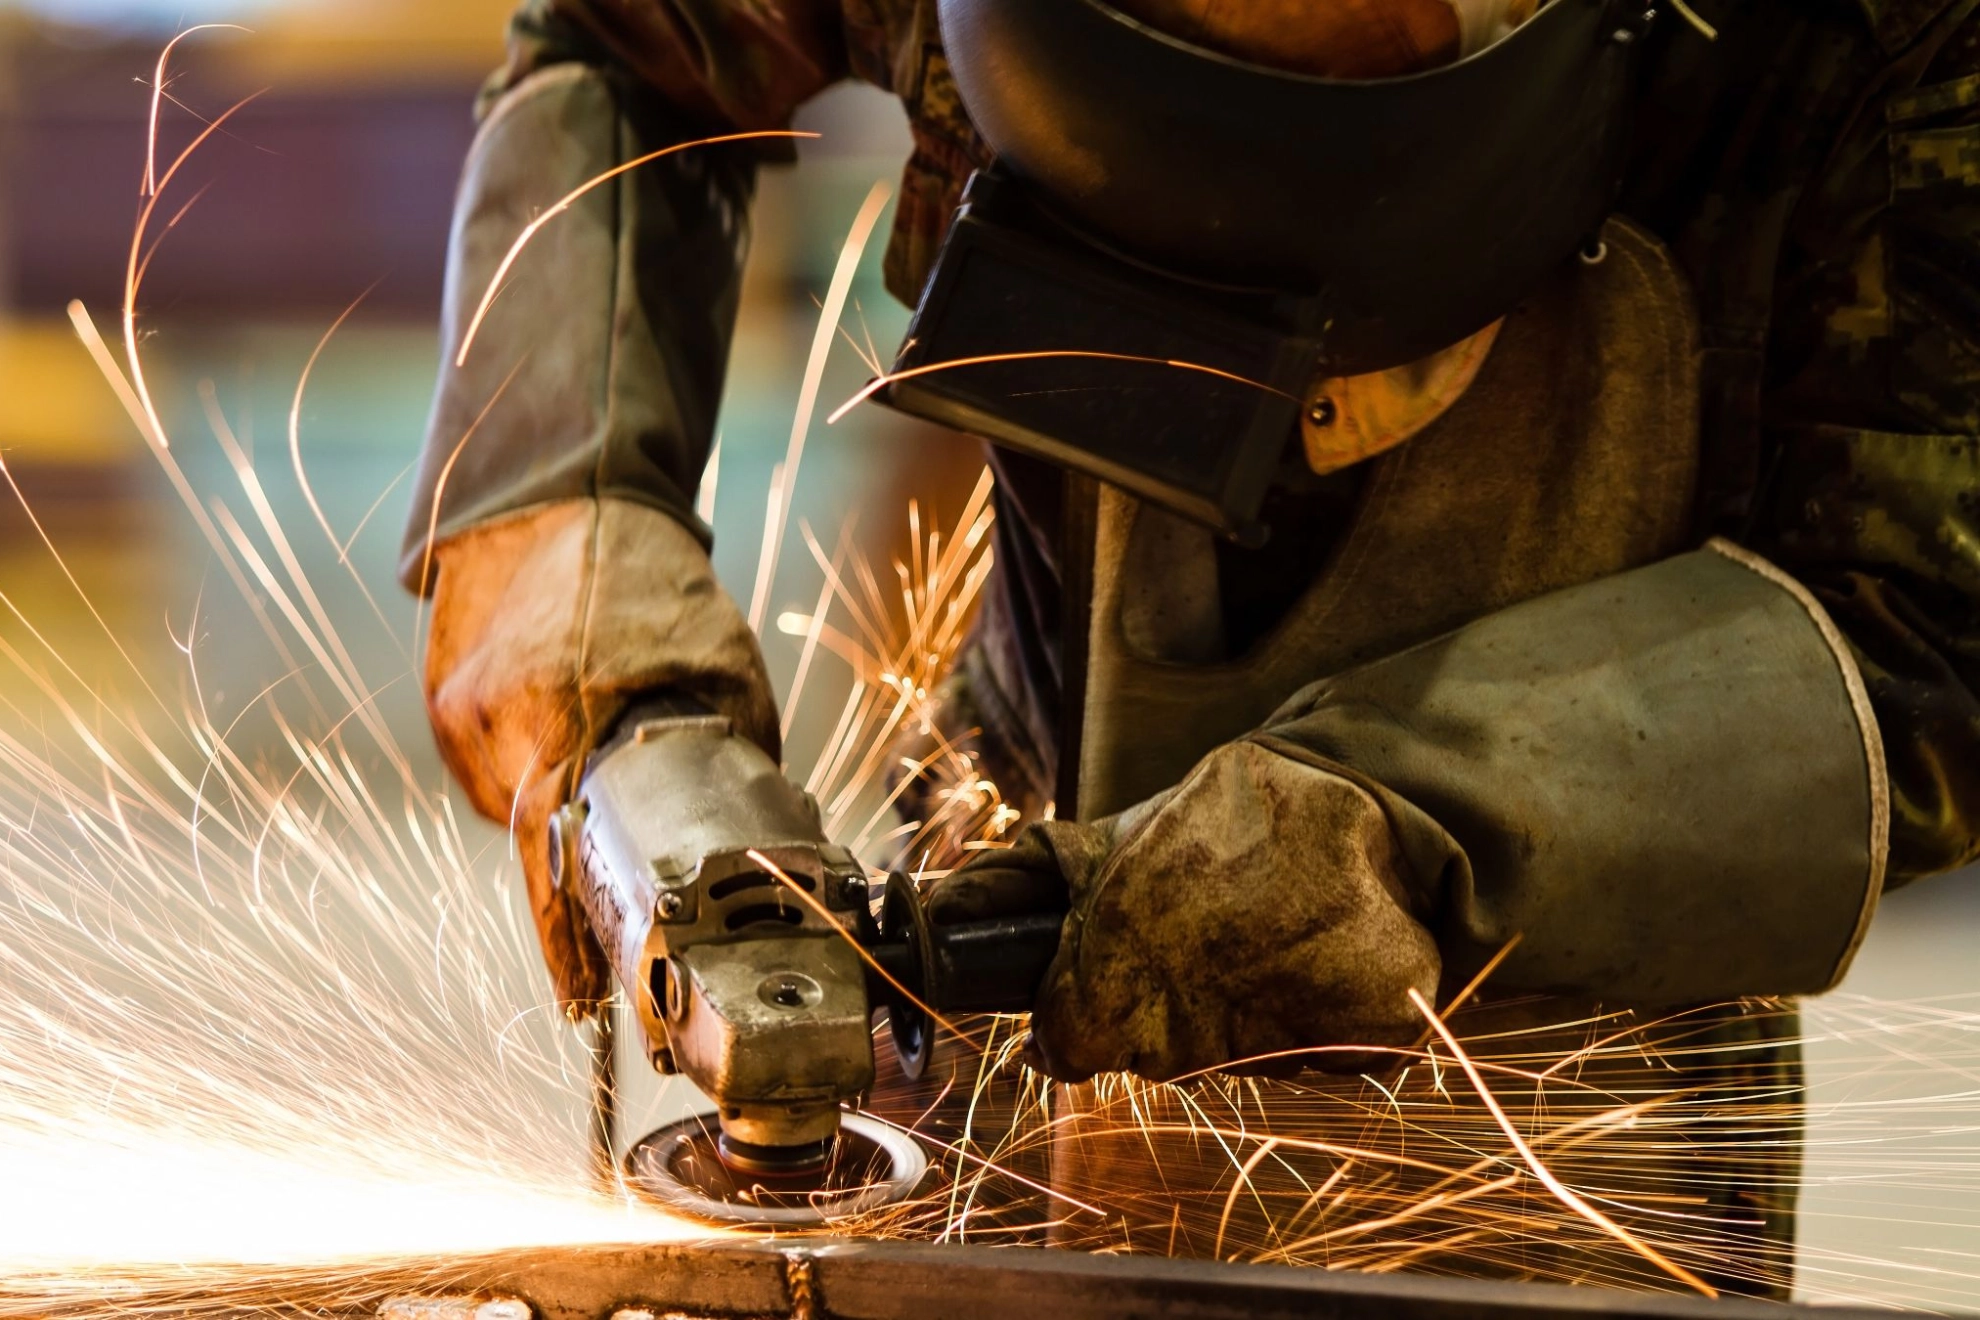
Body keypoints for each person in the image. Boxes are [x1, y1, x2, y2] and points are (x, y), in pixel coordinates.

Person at [406, 0, 1980, 1101]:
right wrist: (564, 486)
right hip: (1000, 877)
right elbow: (624, 46)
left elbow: (1938, 639)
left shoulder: (1887, 50)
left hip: (1561, 1085)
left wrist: (1404, 827)